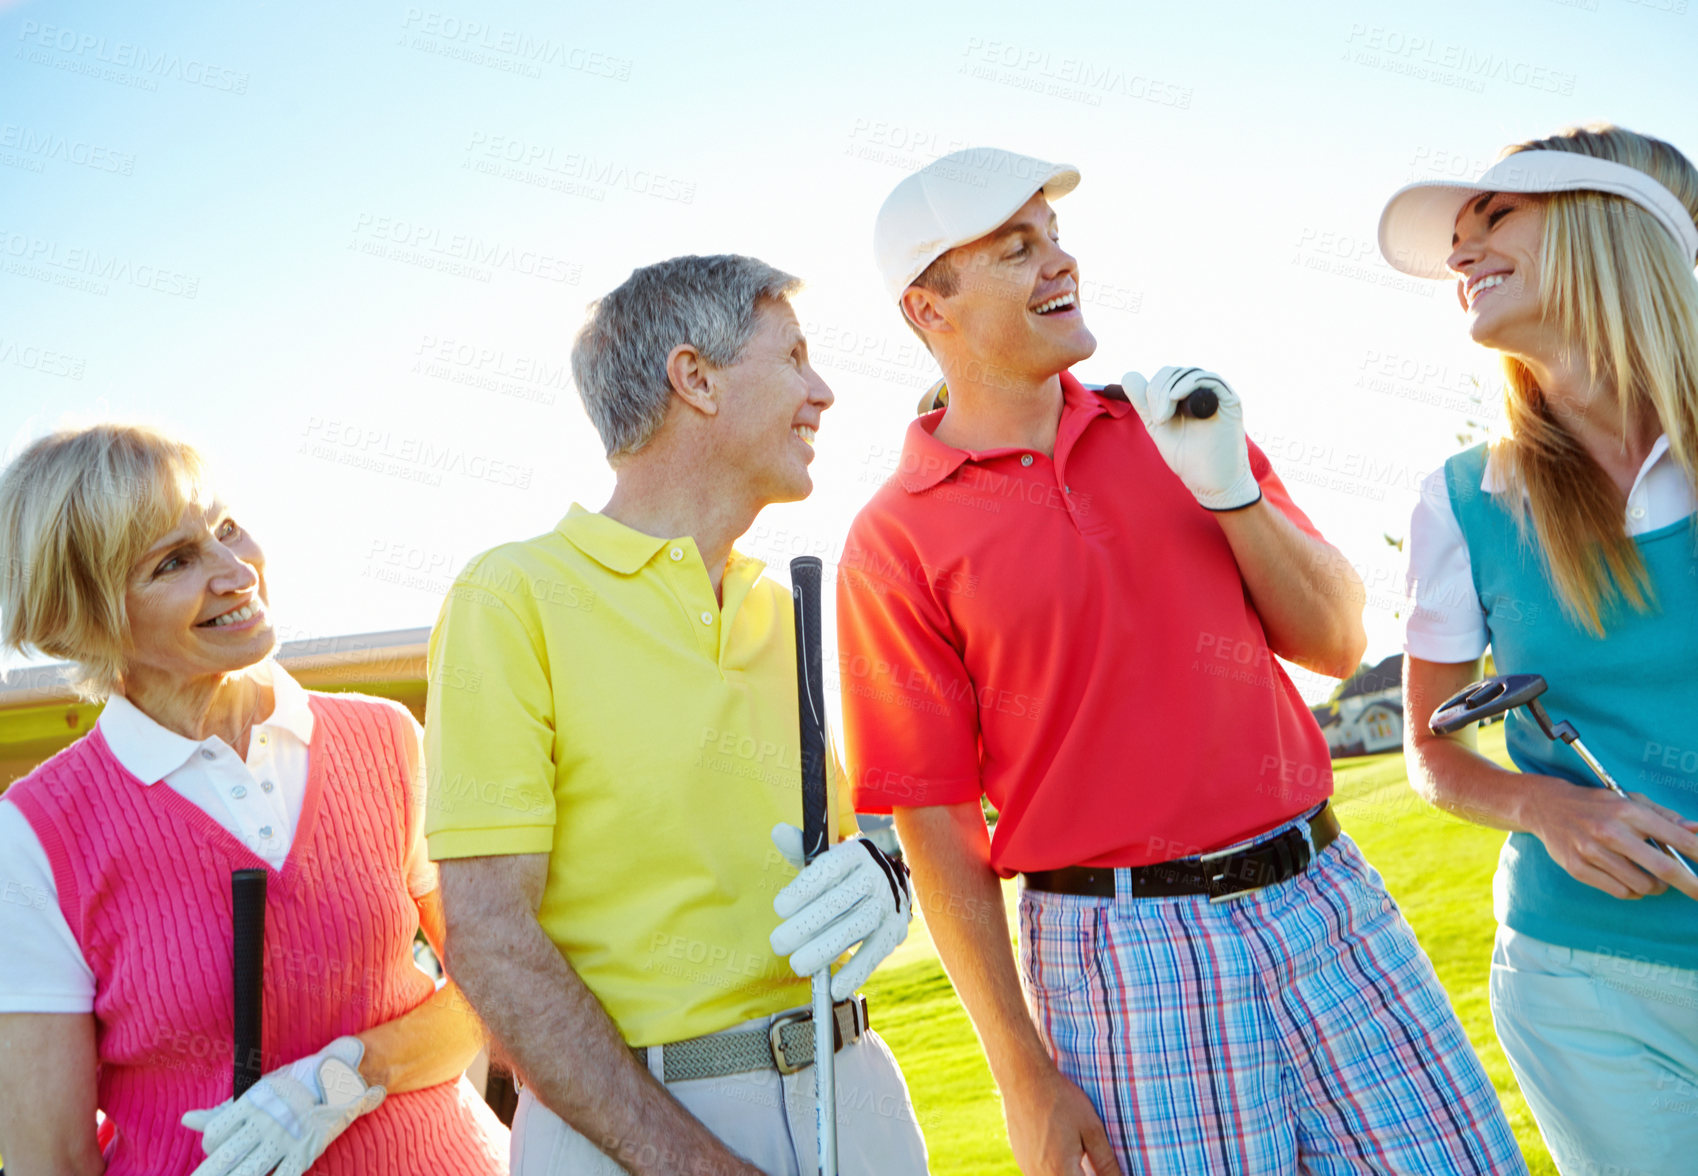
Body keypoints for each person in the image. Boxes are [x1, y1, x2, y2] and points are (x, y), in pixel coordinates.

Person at [839, 146, 1527, 1176]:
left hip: (1327, 898)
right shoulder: (895, 540)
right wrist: (1020, 1072)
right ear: (927, 310)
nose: (1058, 264)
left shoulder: (1179, 422)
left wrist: (1228, 491)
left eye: (1056, 237)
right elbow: (935, 825)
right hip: (1123, 959)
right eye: (1016, 249)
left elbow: (1337, 638)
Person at [425, 253, 926, 1176]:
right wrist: (693, 1165)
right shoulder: (514, 596)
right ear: (695, 378)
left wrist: (885, 879)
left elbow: (855, 850)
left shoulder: (783, 607)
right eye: (794, 357)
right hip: (632, 1134)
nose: (822, 393)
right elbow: (491, 938)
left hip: (857, 1098)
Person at [0, 425, 507, 1176]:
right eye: (174, 561)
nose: (237, 571)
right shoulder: (39, 833)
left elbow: (494, 992)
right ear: (84, 617)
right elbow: (53, 1159)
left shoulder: (387, 741)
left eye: (227, 529)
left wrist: (348, 1075)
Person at [1385, 123, 1698, 1175]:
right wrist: (1542, 804)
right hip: (1586, 982)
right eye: (1456, 242)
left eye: (1495, 218)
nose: (1460, 255)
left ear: (1614, 228)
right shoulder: (1463, 500)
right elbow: (1433, 750)